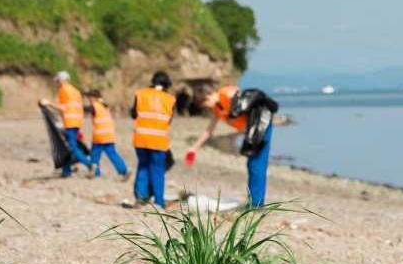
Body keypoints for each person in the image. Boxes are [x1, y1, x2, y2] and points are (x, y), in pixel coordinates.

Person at [186, 85, 278, 208]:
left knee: (256, 165)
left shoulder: (227, 94)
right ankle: (255, 202)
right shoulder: (218, 107)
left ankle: (256, 204)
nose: (207, 107)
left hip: (262, 127)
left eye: (206, 103)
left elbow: (249, 105)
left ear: (209, 96)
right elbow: (209, 130)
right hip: (253, 132)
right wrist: (194, 147)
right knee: (252, 165)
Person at [130, 71, 175, 208]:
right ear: (167, 84)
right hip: (159, 140)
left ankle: (141, 198)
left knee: (143, 165)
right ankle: (159, 201)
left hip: (141, 138)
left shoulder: (140, 93)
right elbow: (170, 120)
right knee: (158, 170)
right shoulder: (170, 99)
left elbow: (133, 114)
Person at [39, 71, 92, 177]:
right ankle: (66, 171)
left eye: (57, 81)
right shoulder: (76, 91)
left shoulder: (63, 90)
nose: (57, 83)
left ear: (62, 80)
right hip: (77, 122)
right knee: (67, 146)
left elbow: (64, 107)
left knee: (71, 147)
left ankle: (90, 164)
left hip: (70, 122)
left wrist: (48, 103)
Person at [84, 89, 128, 179]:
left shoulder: (95, 106)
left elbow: (85, 109)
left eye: (89, 97)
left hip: (100, 136)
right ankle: (123, 171)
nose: (89, 99)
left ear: (93, 97)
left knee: (94, 155)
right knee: (112, 154)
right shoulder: (104, 106)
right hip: (109, 135)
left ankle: (95, 173)